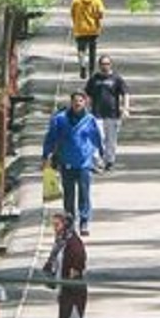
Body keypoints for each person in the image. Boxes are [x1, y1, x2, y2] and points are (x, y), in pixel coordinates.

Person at [42, 91, 104, 236]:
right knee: (68, 195)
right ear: (71, 102)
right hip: (66, 162)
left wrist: (101, 154)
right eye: (75, 101)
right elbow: (51, 138)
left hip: (84, 163)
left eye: (80, 101)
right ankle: (70, 223)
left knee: (84, 194)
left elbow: (96, 138)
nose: (78, 103)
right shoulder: (60, 119)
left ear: (85, 102)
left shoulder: (90, 120)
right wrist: (46, 155)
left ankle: (84, 222)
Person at [43, 211, 89, 318]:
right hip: (65, 290)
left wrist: (67, 281)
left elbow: (77, 268)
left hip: (73, 292)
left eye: (57, 225)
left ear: (66, 224)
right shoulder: (61, 242)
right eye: (53, 225)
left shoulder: (74, 244)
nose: (55, 228)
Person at [85, 54, 130, 171]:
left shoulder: (116, 78)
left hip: (113, 114)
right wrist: (86, 110)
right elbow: (87, 95)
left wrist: (125, 108)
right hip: (96, 113)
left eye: (107, 64)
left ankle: (109, 160)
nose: (105, 66)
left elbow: (125, 93)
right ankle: (97, 161)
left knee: (111, 139)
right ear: (99, 65)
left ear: (111, 65)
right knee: (98, 137)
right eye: (102, 64)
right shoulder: (94, 79)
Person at [71, 0, 106, 80]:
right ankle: (91, 71)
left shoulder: (76, 0)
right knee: (92, 51)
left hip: (80, 29)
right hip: (93, 29)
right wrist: (95, 18)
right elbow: (101, 13)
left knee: (81, 49)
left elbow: (72, 13)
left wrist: (76, 22)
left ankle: (82, 65)